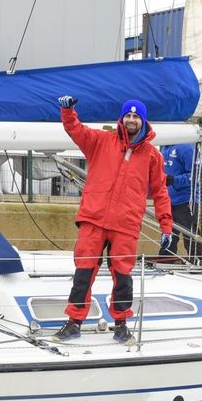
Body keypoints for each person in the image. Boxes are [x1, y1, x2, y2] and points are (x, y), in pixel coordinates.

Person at [55, 95, 174, 343]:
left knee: (122, 277)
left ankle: (121, 325)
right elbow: (75, 130)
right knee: (83, 273)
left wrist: (166, 224)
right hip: (94, 219)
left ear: (143, 121)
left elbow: (160, 191)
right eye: (127, 116)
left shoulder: (153, 156)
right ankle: (74, 322)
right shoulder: (100, 141)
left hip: (126, 224)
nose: (131, 120)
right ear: (121, 119)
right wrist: (68, 111)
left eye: (136, 116)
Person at [161, 141, 197, 257]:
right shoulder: (164, 147)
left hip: (185, 200)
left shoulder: (186, 147)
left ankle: (197, 260)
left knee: (190, 235)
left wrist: (174, 180)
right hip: (167, 200)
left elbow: (195, 174)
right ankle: (166, 260)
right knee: (167, 233)